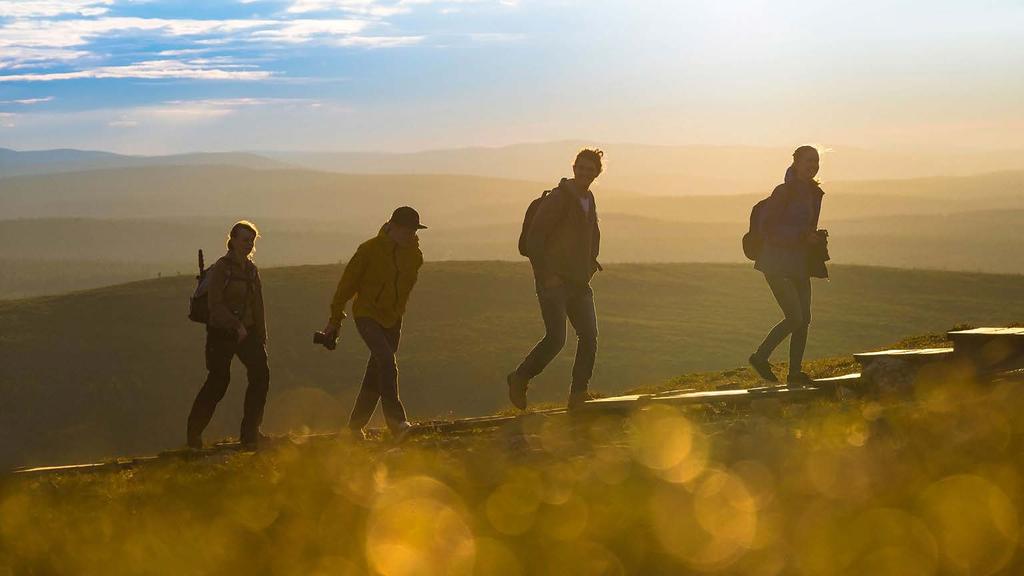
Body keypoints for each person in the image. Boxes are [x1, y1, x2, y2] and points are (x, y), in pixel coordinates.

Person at [508, 148, 604, 410]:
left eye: (590, 169)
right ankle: (520, 378)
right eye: (581, 168)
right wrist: (546, 276)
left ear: (597, 173)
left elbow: (591, 234)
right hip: (554, 282)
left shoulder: (589, 198)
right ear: (574, 168)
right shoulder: (558, 199)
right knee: (556, 339)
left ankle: (578, 395)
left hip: (578, 281)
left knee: (589, 336)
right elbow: (534, 239)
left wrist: (591, 263)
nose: (585, 173)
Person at [323, 207, 426, 441]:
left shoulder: (415, 255)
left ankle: (354, 428)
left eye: (413, 231)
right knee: (387, 362)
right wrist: (335, 319)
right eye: (407, 230)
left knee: (376, 371)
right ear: (393, 227)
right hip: (367, 315)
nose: (410, 235)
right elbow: (346, 286)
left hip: (393, 318)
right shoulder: (368, 250)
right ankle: (397, 423)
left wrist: (396, 312)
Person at [187, 220, 270, 449]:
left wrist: (261, 336)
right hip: (221, 333)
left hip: (247, 332)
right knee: (218, 382)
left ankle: (251, 432)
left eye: (251, 241)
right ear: (232, 241)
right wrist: (236, 325)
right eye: (244, 240)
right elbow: (215, 304)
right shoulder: (222, 268)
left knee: (261, 374)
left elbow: (258, 306)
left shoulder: (252, 271)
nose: (248, 244)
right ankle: (193, 435)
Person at [748, 146, 826, 387]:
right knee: (795, 317)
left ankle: (794, 374)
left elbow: (802, 226)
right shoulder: (783, 192)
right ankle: (760, 357)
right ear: (796, 163)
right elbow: (768, 229)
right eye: (808, 161)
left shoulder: (813, 192)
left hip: (799, 263)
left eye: (816, 161)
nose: (813, 165)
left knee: (805, 319)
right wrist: (802, 235)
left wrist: (813, 237)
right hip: (776, 264)